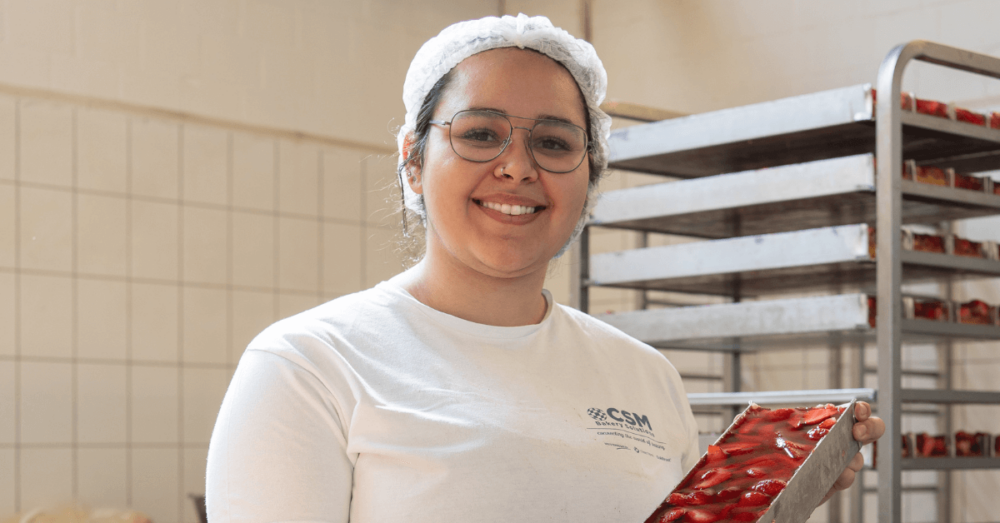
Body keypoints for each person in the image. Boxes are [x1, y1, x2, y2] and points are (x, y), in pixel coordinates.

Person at [205, 14, 884, 522]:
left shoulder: (645, 377)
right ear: (412, 160)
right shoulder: (310, 366)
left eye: (554, 143)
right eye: (479, 133)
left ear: (589, 177)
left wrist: (772, 495)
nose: (517, 167)